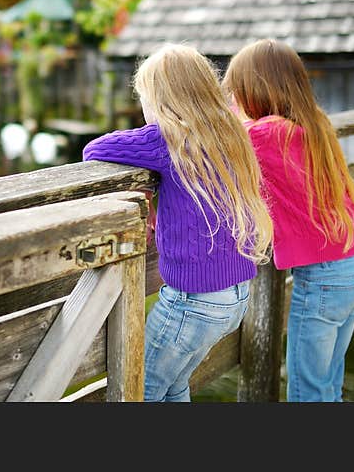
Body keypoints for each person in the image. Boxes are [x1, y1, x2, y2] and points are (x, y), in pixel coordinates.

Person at [83, 43, 273, 402]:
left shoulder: (166, 138)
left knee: (140, 391)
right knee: (174, 386)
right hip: (235, 297)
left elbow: (94, 149)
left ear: (159, 99)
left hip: (194, 302)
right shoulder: (231, 132)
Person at [223, 38, 354, 402]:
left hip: (323, 282)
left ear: (254, 91)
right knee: (326, 386)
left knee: (307, 393)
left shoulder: (265, 134)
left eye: (236, 92)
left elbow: (218, 142)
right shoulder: (314, 126)